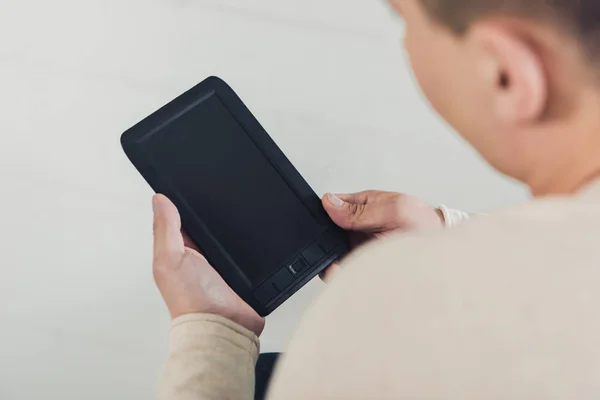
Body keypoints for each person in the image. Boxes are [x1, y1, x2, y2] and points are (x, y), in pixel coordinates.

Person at [153, 0, 600, 398]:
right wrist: (446, 233)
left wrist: (212, 331)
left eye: (403, 19)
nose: (407, 47)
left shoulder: (381, 310)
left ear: (504, 73)